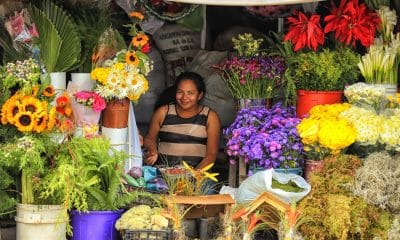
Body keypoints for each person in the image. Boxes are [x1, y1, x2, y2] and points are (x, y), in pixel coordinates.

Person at [144, 71, 221, 170]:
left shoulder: (210, 117)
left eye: (190, 93)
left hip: (197, 176)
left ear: (200, 95)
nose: (184, 97)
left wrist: (195, 175)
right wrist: (152, 150)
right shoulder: (163, 112)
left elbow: (211, 154)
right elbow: (150, 138)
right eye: (180, 92)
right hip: (164, 174)